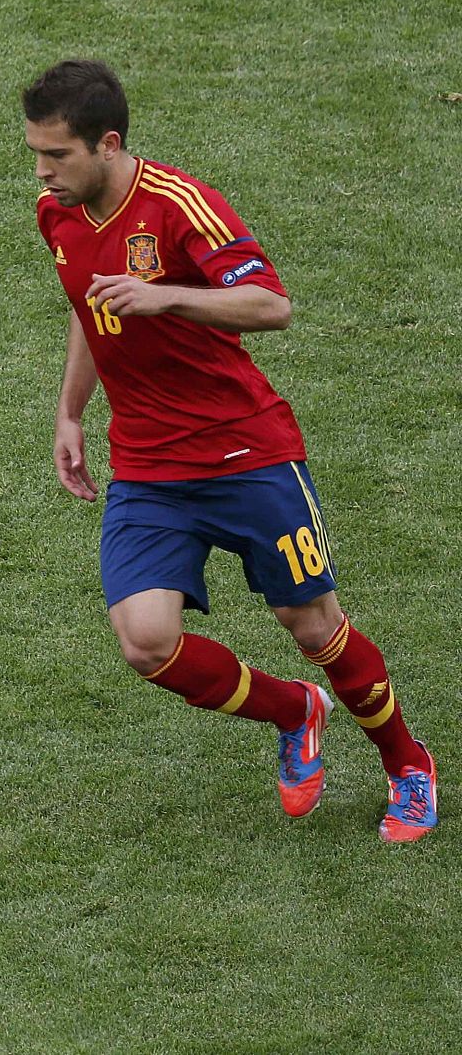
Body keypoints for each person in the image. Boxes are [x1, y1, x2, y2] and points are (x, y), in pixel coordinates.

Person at [23, 60, 434, 841]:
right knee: (145, 641)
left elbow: (271, 304)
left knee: (312, 626)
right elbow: (87, 305)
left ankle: (408, 762)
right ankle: (293, 712)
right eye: (36, 154)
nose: (44, 172)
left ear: (108, 144)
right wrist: (70, 412)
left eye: (58, 155)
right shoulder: (57, 213)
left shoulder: (180, 206)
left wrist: (167, 293)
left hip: (246, 452)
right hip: (148, 465)